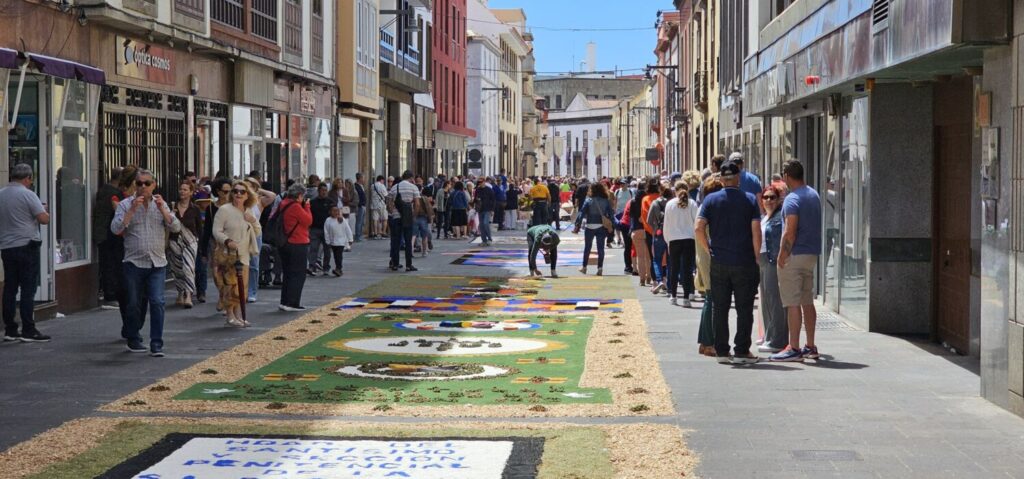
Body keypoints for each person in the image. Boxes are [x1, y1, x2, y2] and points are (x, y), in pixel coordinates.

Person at [695, 159, 761, 365]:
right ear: (738, 178)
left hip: (719, 261)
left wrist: (708, 248)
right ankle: (741, 350)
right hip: (744, 260)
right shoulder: (749, 199)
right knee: (744, 308)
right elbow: (756, 231)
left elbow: (698, 228)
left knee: (720, 307)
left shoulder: (711, 200)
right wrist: (757, 256)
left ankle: (722, 350)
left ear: (722, 179)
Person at [110, 170, 182, 356]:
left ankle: (156, 343)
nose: (143, 187)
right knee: (133, 303)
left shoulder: (160, 203)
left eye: (147, 183)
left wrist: (163, 210)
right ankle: (133, 337)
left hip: (157, 263)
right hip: (133, 262)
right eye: (139, 183)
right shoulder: (125, 204)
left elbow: (175, 227)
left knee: (157, 302)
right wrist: (132, 210)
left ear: (153, 185)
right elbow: (115, 228)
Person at [772, 159, 823, 362]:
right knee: (807, 300)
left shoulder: (792, 199)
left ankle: (793, 347)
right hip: (811, 254)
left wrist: (782, 255)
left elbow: (790, 231)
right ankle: (810, 345)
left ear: (786, 176)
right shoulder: (813, 194)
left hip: (794, 255)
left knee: (792, 302)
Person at [0, 164, 51, 343]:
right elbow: (43, 219)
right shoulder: (28, 194)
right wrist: (45, 210)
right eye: (30, 179)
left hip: (7, 246)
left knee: (10, 288)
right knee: (28, 289)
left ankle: (10, 328)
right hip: (27, 245)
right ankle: (28, 328)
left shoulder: (1, 194)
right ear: (27, 178)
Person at [212, 180, 261, 327]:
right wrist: (227, 241)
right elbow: (216, 231)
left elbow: (257, 232)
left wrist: (253, 220)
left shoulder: (248, 211)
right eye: (235, 191)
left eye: (242, 192)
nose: (238, 194)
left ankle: (239, 315)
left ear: (247, 195)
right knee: (230, 286)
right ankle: (230, 316)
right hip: (228, 255)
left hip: (244, 255)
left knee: (242, 288)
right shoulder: (224, 210)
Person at [759, 184, 789, 353]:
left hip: (772, 259)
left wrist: (780, 258)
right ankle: (769, 336)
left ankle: (778, 340)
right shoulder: (765, 217)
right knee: (766, 300)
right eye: (766, 197)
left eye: (773, 197)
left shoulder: (779, 217)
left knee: (774, 300)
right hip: (763, 260)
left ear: (778, 200)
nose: (769, 200)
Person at [696, 176, 724, 356]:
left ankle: (704, 341)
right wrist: (710, 251)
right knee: (711, 298)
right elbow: (701, 232)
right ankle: (707, 342)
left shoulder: (705, 207)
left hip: (705, 257)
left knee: (710, 297)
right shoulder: (708, 209)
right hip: (709, 259)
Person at [276, 184, 312, 311]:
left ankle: (284, 301)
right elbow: (308, 221)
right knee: (298, 274)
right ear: (299, 195)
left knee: (288, 273)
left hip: (286, 243)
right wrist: (307, 206)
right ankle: (292, 302)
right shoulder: (296, 207)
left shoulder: (284, 203)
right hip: (297, 242)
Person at [663, 181, 698, 307]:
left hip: (674, 239)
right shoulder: (692, 203)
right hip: (689, 239)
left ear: (675, 190)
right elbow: (696, 222)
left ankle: (673, 295)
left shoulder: (670, 204)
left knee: (674, 268)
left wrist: (667, 240)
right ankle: (686, 297)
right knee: (687, 269)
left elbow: (666, 224)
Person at [168, 181, 202, 308]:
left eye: (185, 189)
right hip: (175, 241)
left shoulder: (195, 209)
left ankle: (188, 295)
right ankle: (180, 292)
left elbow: (199, 228)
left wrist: (200, 245)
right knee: (177, 268)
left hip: (190, 241)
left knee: (189, 267)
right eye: (181, 189)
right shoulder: (172, 206)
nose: (182, 192)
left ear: (191, 192)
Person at [93, 168, 123, 308]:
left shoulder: (104, 190)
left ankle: (109, 292)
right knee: (110, 264)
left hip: (103, 232)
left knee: (108, 264)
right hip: (107, 233)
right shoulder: (113, 193)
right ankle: (110, 295)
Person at [574, 182, 614, 276]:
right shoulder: (606, 200)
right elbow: (611, 214)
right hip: (601, 226)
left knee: (587, 247)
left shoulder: (589, 200)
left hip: (590, 226)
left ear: (591, 190)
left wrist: (577, 224)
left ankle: (584, 267)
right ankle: (600, 268)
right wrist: (611, 225)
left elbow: (582, 213)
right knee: (601, 248)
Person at [388, 170, 420, 272]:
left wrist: (392, 211)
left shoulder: (395, 187)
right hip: (408, 216)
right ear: (411, 178)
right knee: (408, 241)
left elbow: (389, 202)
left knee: (396, 241)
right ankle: (408, 265)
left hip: (396, 216)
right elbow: (417, 204)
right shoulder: (413, 187)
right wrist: (414, 216)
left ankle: (395, 264)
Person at [646, 184, 673, 294]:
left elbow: (648, 220)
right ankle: (670, 284)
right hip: (671, 233)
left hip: (658, 233)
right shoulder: (673, 203)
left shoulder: (655, 203)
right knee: (670, 260)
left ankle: (659, 280)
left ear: (660, 191)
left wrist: (655, 228)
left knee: (656, 259)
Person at [307, 184, 334, 275]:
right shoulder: (313, 202)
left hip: (327, 230)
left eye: (325, 190)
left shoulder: (330, 202)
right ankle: (312, 266)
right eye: (322, 190)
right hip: (315, 228)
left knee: (327, 250)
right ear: (318, 191)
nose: (324, 192)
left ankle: (326, 267)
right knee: (313, 248)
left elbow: (334, 213)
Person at [323, 206, 353, 276]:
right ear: (330, 212)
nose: (335, 212)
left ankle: (338, 268)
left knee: (339, 255)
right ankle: (338, 268)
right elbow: (326, 231)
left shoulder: (342, 220)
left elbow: (347, 229)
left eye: (337, 211)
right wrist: (327, 241)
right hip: (333, 242)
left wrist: (350, 239)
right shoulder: (328, 220)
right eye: (333, 211)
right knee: (335, 256)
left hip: (341, 242)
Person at [475, 177, 496, 246]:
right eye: (479, 182)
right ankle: (484, 240)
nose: (480, 183)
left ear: (484, 182)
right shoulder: (478, 190)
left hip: (487, 209)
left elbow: (493, 200)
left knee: (485, 223)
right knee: (481, 225)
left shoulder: (489, 190)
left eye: (481, 182)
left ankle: (489, 239)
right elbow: (475, 199)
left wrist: (492, 210)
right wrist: (476, 201)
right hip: (480, 209)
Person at [413, 191, 433, 256]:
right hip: (423, 217)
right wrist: (430, 218)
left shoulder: (413, 198)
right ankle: (424, 251)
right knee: (424, 236)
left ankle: (410, 252)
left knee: (413, 236)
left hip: (414, 217)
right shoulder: (425, 198)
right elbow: (429, 208)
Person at [353, 173, 367, 242]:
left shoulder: (361, 186)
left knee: (362, 222)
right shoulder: (356, 186)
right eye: (363, 178)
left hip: (363, 206)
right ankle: (357, 236)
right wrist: (360, 204)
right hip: (360, 206)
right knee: (359, 222)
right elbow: (357, 197)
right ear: (360, 178)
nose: (364, 179)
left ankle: (360, 235)